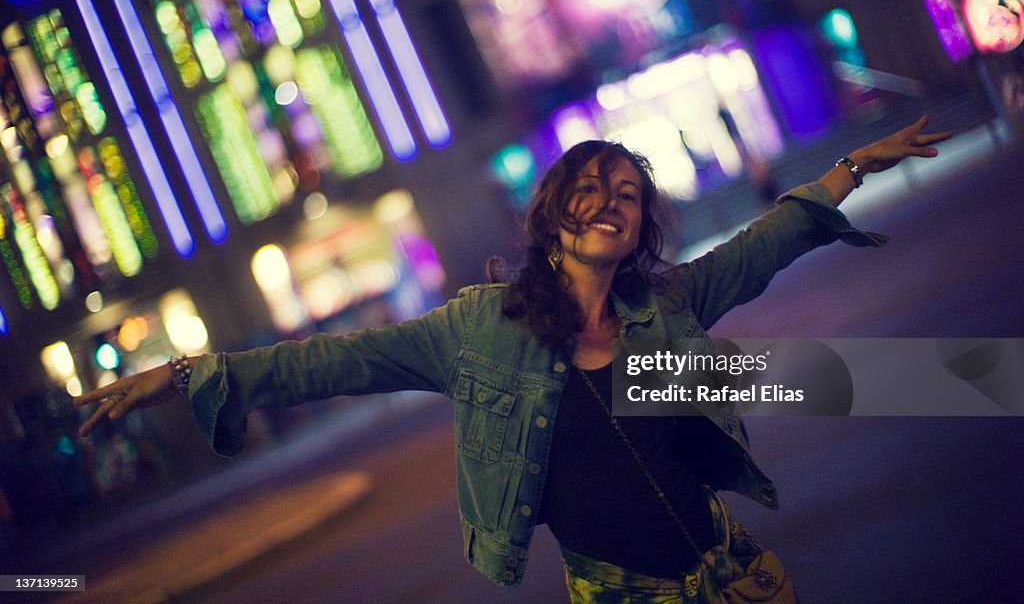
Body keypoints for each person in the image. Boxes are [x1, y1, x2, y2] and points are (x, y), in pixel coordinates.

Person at [74, 116, 951, 603]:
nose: (612, 202)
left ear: (642, 224)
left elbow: (766, 245)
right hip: (619, 592)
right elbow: (331, 361)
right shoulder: (478, 330)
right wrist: (188, 373)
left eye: (630, 195)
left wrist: (847, 167)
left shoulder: (664, 304)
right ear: (554, 212)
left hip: (729, 565)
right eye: (593, 187)